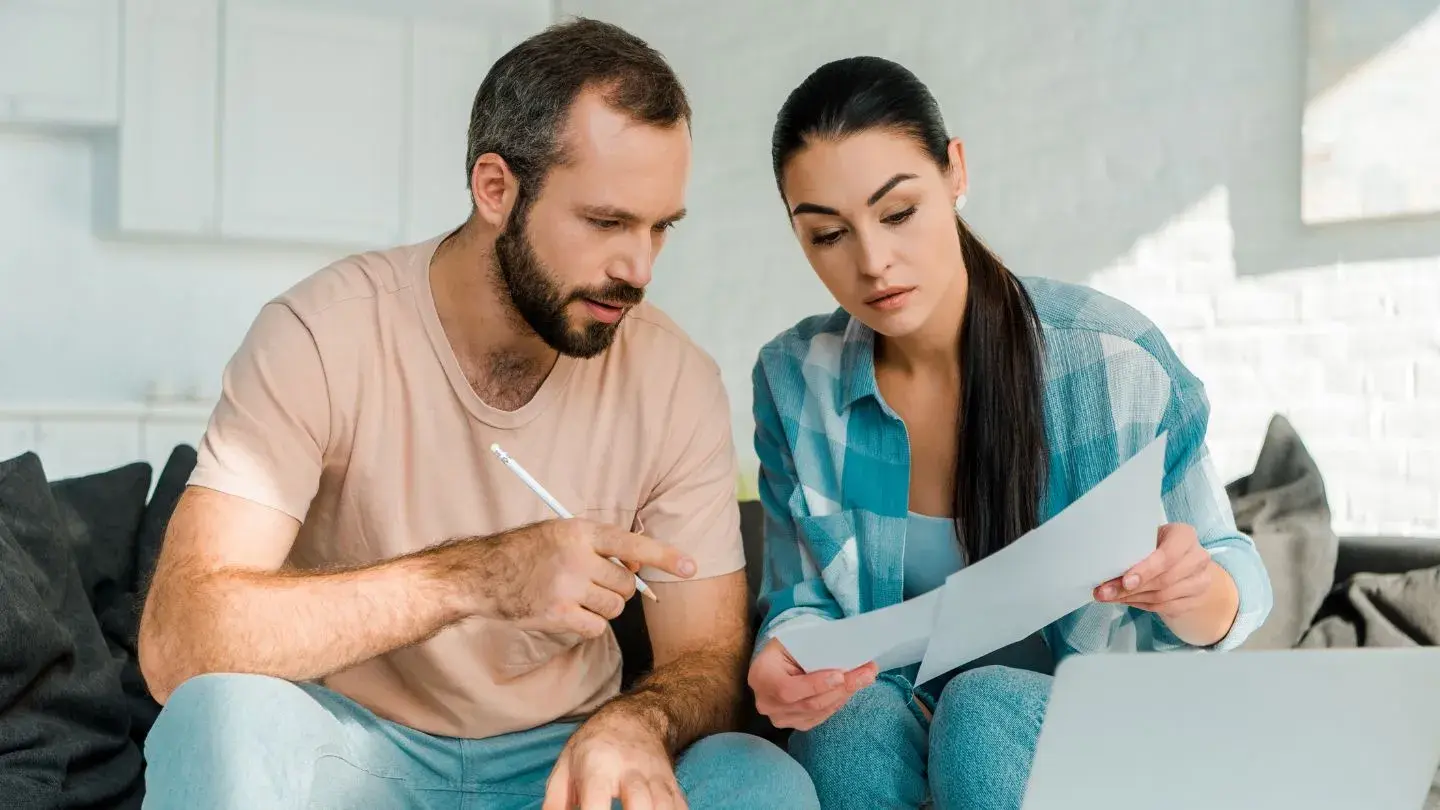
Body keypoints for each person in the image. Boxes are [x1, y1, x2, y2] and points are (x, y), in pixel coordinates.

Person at [136, 18, 818, 810]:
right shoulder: (320, 334)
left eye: (660, 227)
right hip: (355, 751)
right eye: (606, 222)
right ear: (496, 189)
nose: (639, 268)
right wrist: (480, 577)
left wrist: (640, 721)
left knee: (756, 778)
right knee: (217, 717)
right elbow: (178, 643)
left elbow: (706, 657)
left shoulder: (675, 380)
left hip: (563, 765)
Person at [745, 56, 1274, 810]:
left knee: (986, 711)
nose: (873, 262)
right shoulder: (795, 381)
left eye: (898, 213)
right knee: (843, 726)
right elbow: (799, 601)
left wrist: (1193, 589)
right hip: (900, 729)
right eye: (828, 234)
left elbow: (1233, 577)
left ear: (955, 171)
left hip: (1096, 743)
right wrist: (785, 655)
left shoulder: (1109, 359)